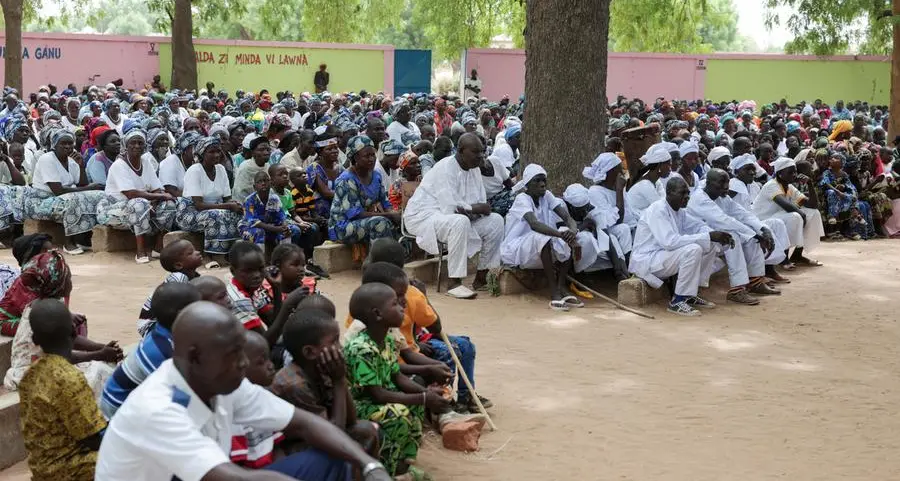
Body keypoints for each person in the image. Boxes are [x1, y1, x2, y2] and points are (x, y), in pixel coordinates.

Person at [95, 301, 393, 481]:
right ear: (195, 355)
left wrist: (369, 465)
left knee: (335, 457)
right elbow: (229, 478)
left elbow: (304, 422)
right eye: (232, 354)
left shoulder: (223, 382)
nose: (242, 363)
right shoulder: (158, 409)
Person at [344, 283, 442, 480]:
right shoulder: (362, 348)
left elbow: (397, 376)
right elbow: (376, 394)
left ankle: (402, 465)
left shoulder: (387, 339)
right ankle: (386, 471)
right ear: (378, 314)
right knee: (398, 413)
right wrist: (422, 398)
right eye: (395, 303)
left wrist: (426, 396)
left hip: (378, 398)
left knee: (415, 405)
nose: (403, 306)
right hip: (360, 404)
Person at [2, 250, 123, 395]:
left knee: (103, 367)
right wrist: (99, 354)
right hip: (32, 371)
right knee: (100, 374)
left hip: (45, 363)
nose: (71, 282)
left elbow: (71, 339)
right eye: (69, 279)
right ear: (58, 284)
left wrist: (102, 347)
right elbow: (62, 354)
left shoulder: (48, 304)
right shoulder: (48, 312)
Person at [403, 133, 504, 299]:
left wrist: (473, 209)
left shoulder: (474, 169)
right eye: (476, 152)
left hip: (452, 218)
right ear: (461, 151)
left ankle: (482, 276)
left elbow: (482, 207)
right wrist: (474, 209)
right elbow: (452, 208)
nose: (480, 156)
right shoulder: (445, 167)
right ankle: (454, 282)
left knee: (496, 221)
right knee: (460, 221)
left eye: (482, 152)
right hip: (423, 217)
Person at [18, 298, 108, 481]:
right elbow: (93, 438)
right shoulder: (69, 379)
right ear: (75, 332)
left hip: (41, 467)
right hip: (70, 468)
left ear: (35, 339)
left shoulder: (30, 375)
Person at [271, 307, 379, 457]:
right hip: (292, 449)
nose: (340, 347)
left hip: (323, 431)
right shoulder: (294, 385)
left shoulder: (322, 368)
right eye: (334, 341)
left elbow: (351, 420)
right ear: (309, 352)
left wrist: (339, 378)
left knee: (366, 430)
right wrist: (339, 381)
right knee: (350, 447)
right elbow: (334, 435)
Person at [630, 177, 733, 316]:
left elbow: (698, 226)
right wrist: (708, 236)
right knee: (693, 249)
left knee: (710, 244)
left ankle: (690, 293)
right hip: (648, 259)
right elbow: (670, 242)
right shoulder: (658, 210)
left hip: (664, 257)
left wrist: (715, 235)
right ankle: (677, 301)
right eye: (682, 193)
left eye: (687, 193)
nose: (687, 197)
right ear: (669, 193)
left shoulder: (679, 211)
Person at [101, 282, 202, 418]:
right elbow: (179, 396)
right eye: (200, 306)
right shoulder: (161, 351)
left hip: (132, 405)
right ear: (183, 314)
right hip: (119, 413)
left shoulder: (163, 334)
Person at [687, 169, 781, 305]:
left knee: (750, 237)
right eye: (721, 184)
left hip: (715, 235)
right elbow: (725, 220)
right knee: (733, 237)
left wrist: (762, 229)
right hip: (698, 238)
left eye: (727, 183)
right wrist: (755, 234)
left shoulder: (721, 196)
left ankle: (755, 281)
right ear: (709, 183)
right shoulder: (700, 199)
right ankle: (736, 290)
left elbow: (742, 213)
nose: (726, 187)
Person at [501, 164, 586, 310]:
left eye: (544, 181)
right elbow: (534, 225)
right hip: (517, 248)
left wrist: (572, 231)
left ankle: (561, 287)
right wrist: (560, 235)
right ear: (527, 184)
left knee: (564, 235)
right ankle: (553, 292)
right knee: (543, 237)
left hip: (538, 244)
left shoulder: (546, 196)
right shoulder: (522, 198)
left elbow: (566, 217)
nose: (542, 184)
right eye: (537, 181)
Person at [97, 128, 177, 263]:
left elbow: (157, 188)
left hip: (142, 204)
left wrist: (157, 199)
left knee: (169, 204)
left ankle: (158, 247)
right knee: (140, 203)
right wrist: (158, 197)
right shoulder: (119, 165)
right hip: (113, 208)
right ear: (126, 146)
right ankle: (141, 251)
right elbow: (130, 193)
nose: (137, 146)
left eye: (140, 143)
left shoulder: (145, 163)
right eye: (133, 143)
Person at [25, 129, 105, 254]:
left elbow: (82, 183)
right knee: (76, 199)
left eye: (70, 143)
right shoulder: (47, 159)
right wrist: (90, 188)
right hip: (41, 201)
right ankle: (68, 243)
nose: (67, 146)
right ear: (54, 145)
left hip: (63, 197)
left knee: (99, 195)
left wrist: (81, 166)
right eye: (63, 143)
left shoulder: (72, 161)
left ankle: (82, 239)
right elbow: (58, 191)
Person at [727, 154, 792, 282]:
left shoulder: (753, 185)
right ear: (737, 172)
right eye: (747, 169)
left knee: (776, 224)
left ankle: (769, 269)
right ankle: (756, 277)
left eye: (753, 169)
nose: (752, 172)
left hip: (751, 220)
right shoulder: (734, 184)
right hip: (737, 225)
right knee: (759, 233)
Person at [176, 136, 243, 258]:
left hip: (215, 209)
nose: (216, 155)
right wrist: (228, 206)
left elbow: (227, 198)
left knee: (239, 212)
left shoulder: (221, 169)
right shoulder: (195, 171)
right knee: (216, 215)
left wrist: (235, 205)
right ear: (202, 154)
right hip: (190, 213)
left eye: (218, 151)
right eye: (211, 152)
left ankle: (232, 252)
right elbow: (199, 205)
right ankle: (213, 255)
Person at [753, 157, 826, 267]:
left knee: (814, 213)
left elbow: (813, 205)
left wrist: (810, 184)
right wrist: (802, 216)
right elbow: (786, 206)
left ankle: (797, 255)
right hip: (763, 220)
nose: (794, 175)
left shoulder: (789, 187)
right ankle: (784, 258)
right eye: (790, 172)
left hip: (779, 217)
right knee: (795, 216)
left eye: (795, 171)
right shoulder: (772, 185)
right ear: (780, 174)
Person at [328, 135, 398, 247]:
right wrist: (389, 215)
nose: (371, 159)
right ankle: (378, 261)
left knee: (401, 221)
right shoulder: (346, 179)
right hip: (343, 227)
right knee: (380, 223)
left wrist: (394, 214)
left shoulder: (376, 175)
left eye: (373, 155)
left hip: (364, 220)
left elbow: (385, 202)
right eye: (367, 156)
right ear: (355, 158)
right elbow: (355, 214)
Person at [135, 239, 203, 336]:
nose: (197, 253)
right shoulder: (178, 278)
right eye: (190, 253)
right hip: (151, 326)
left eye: (195, 250)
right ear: (179, 265)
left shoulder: (193, 276)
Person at [584, 152, 633, 279]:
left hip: (620, 224)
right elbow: (616, 220)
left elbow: (628, 213)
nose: (621, 173)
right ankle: (626, 268)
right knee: (623, 229)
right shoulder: (596, 191)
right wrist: (618, 191)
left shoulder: (617, 188)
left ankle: (634, 266)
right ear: (608, 172)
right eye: (618, 170)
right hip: (605, 229)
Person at [238, 171, 298, 252]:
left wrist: (285, 227)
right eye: (259, 181)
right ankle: (260, 261)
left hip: (270, 226)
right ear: (254, 187)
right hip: (249, 227)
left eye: (266, 180)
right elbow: (254, 223)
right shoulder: (250, 200)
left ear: (271, 184)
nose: (263, 183)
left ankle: (284, 257)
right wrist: (276, 229)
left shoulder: (274, 198)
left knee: (290, 230)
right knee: (259, 232)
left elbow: (282, 216)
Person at [624, 143, 670, 228]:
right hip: (637, 224)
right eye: (668, 165)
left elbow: (664, 201)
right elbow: (661, 208)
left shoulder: (656, 182)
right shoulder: (645, 185)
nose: (670, 169)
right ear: (659, 166)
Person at [307, 132, 344, 218]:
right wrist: (347, 195)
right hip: (319, 207)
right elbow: (325, 193)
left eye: (335, 148)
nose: (334, 151)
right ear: (320, 152)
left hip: (338, 201)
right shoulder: (314, 168)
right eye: (329, 149)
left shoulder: (340, 168)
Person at [158, 130, 202, 198]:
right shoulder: (170, 162)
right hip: (176, 201)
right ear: (185, 149)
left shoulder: (196, 162)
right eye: (195, 147)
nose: (198, 150)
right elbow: (171, 190)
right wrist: (195, 199)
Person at [233, 135, 274, 203]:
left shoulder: (268, 166)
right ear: (253, 152)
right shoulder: (245, 167)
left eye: (268, 149)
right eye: (261, 150)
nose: (266, 153)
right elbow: (240, 193)